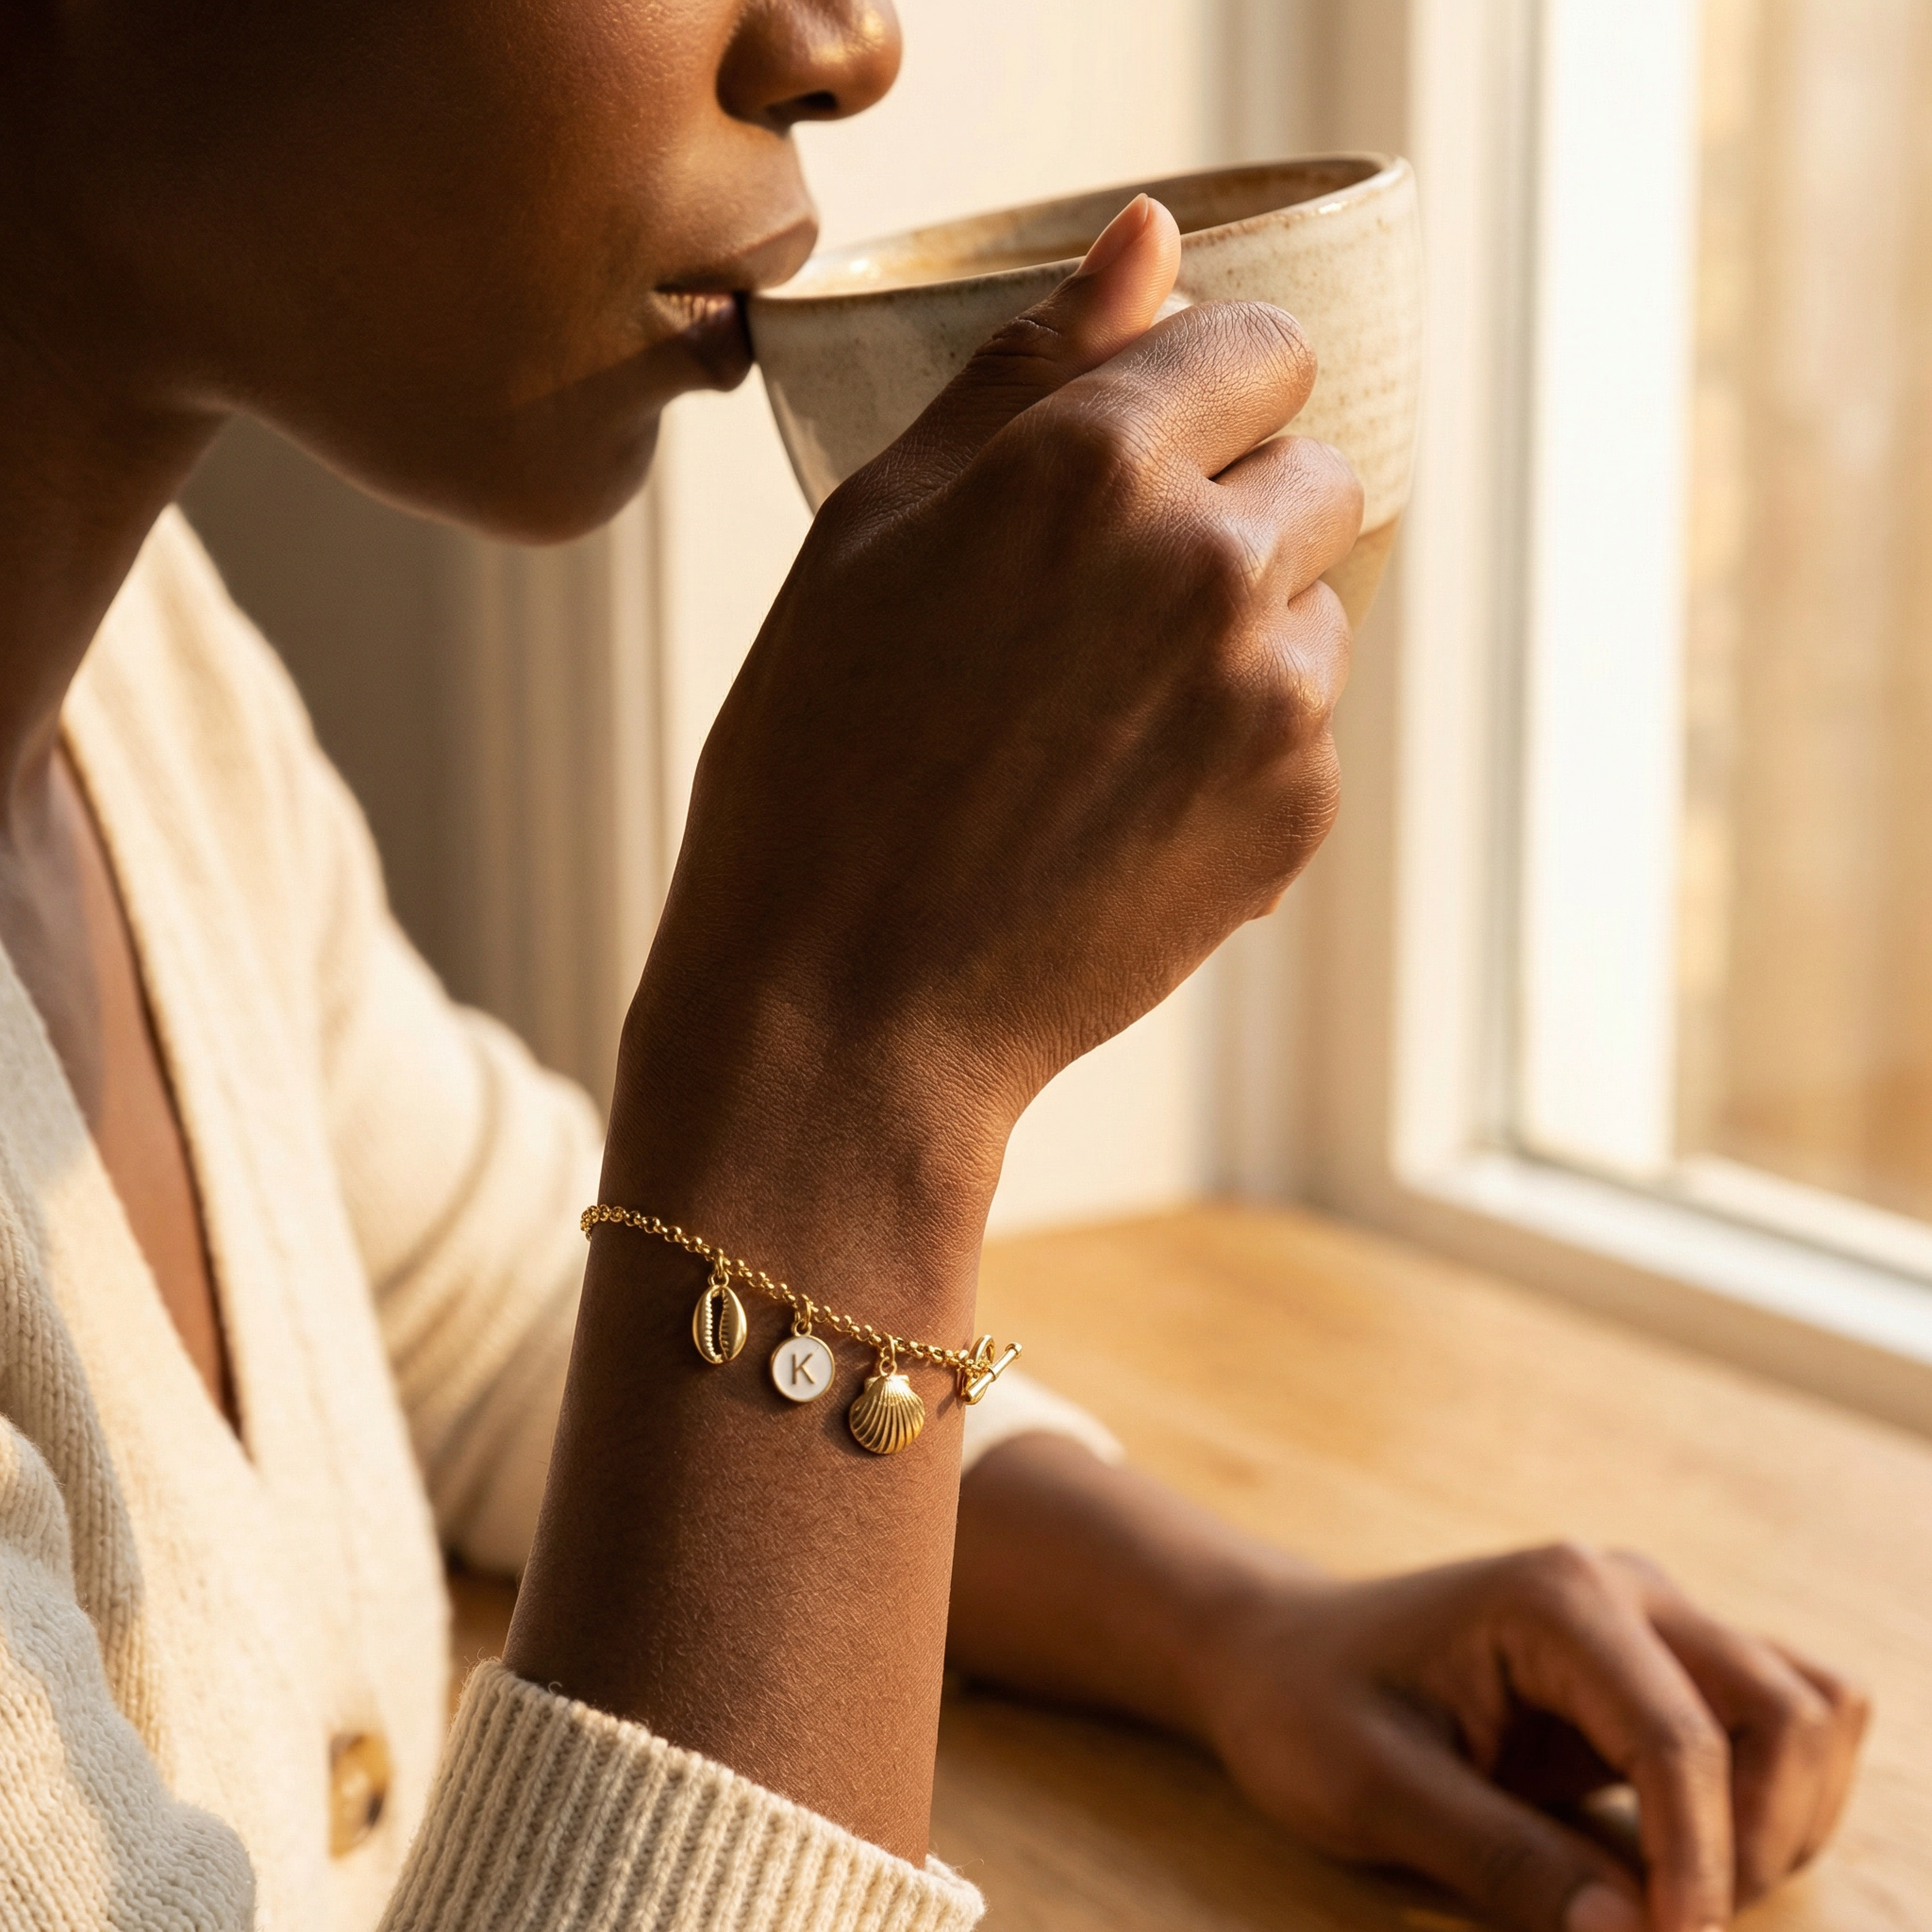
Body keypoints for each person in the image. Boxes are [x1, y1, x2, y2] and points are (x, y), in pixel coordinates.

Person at [0, 4, 1868, 1931]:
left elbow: (477, 1317)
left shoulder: (147, 689)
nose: (845, 41)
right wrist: (845, 1058)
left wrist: (1229, 1628)